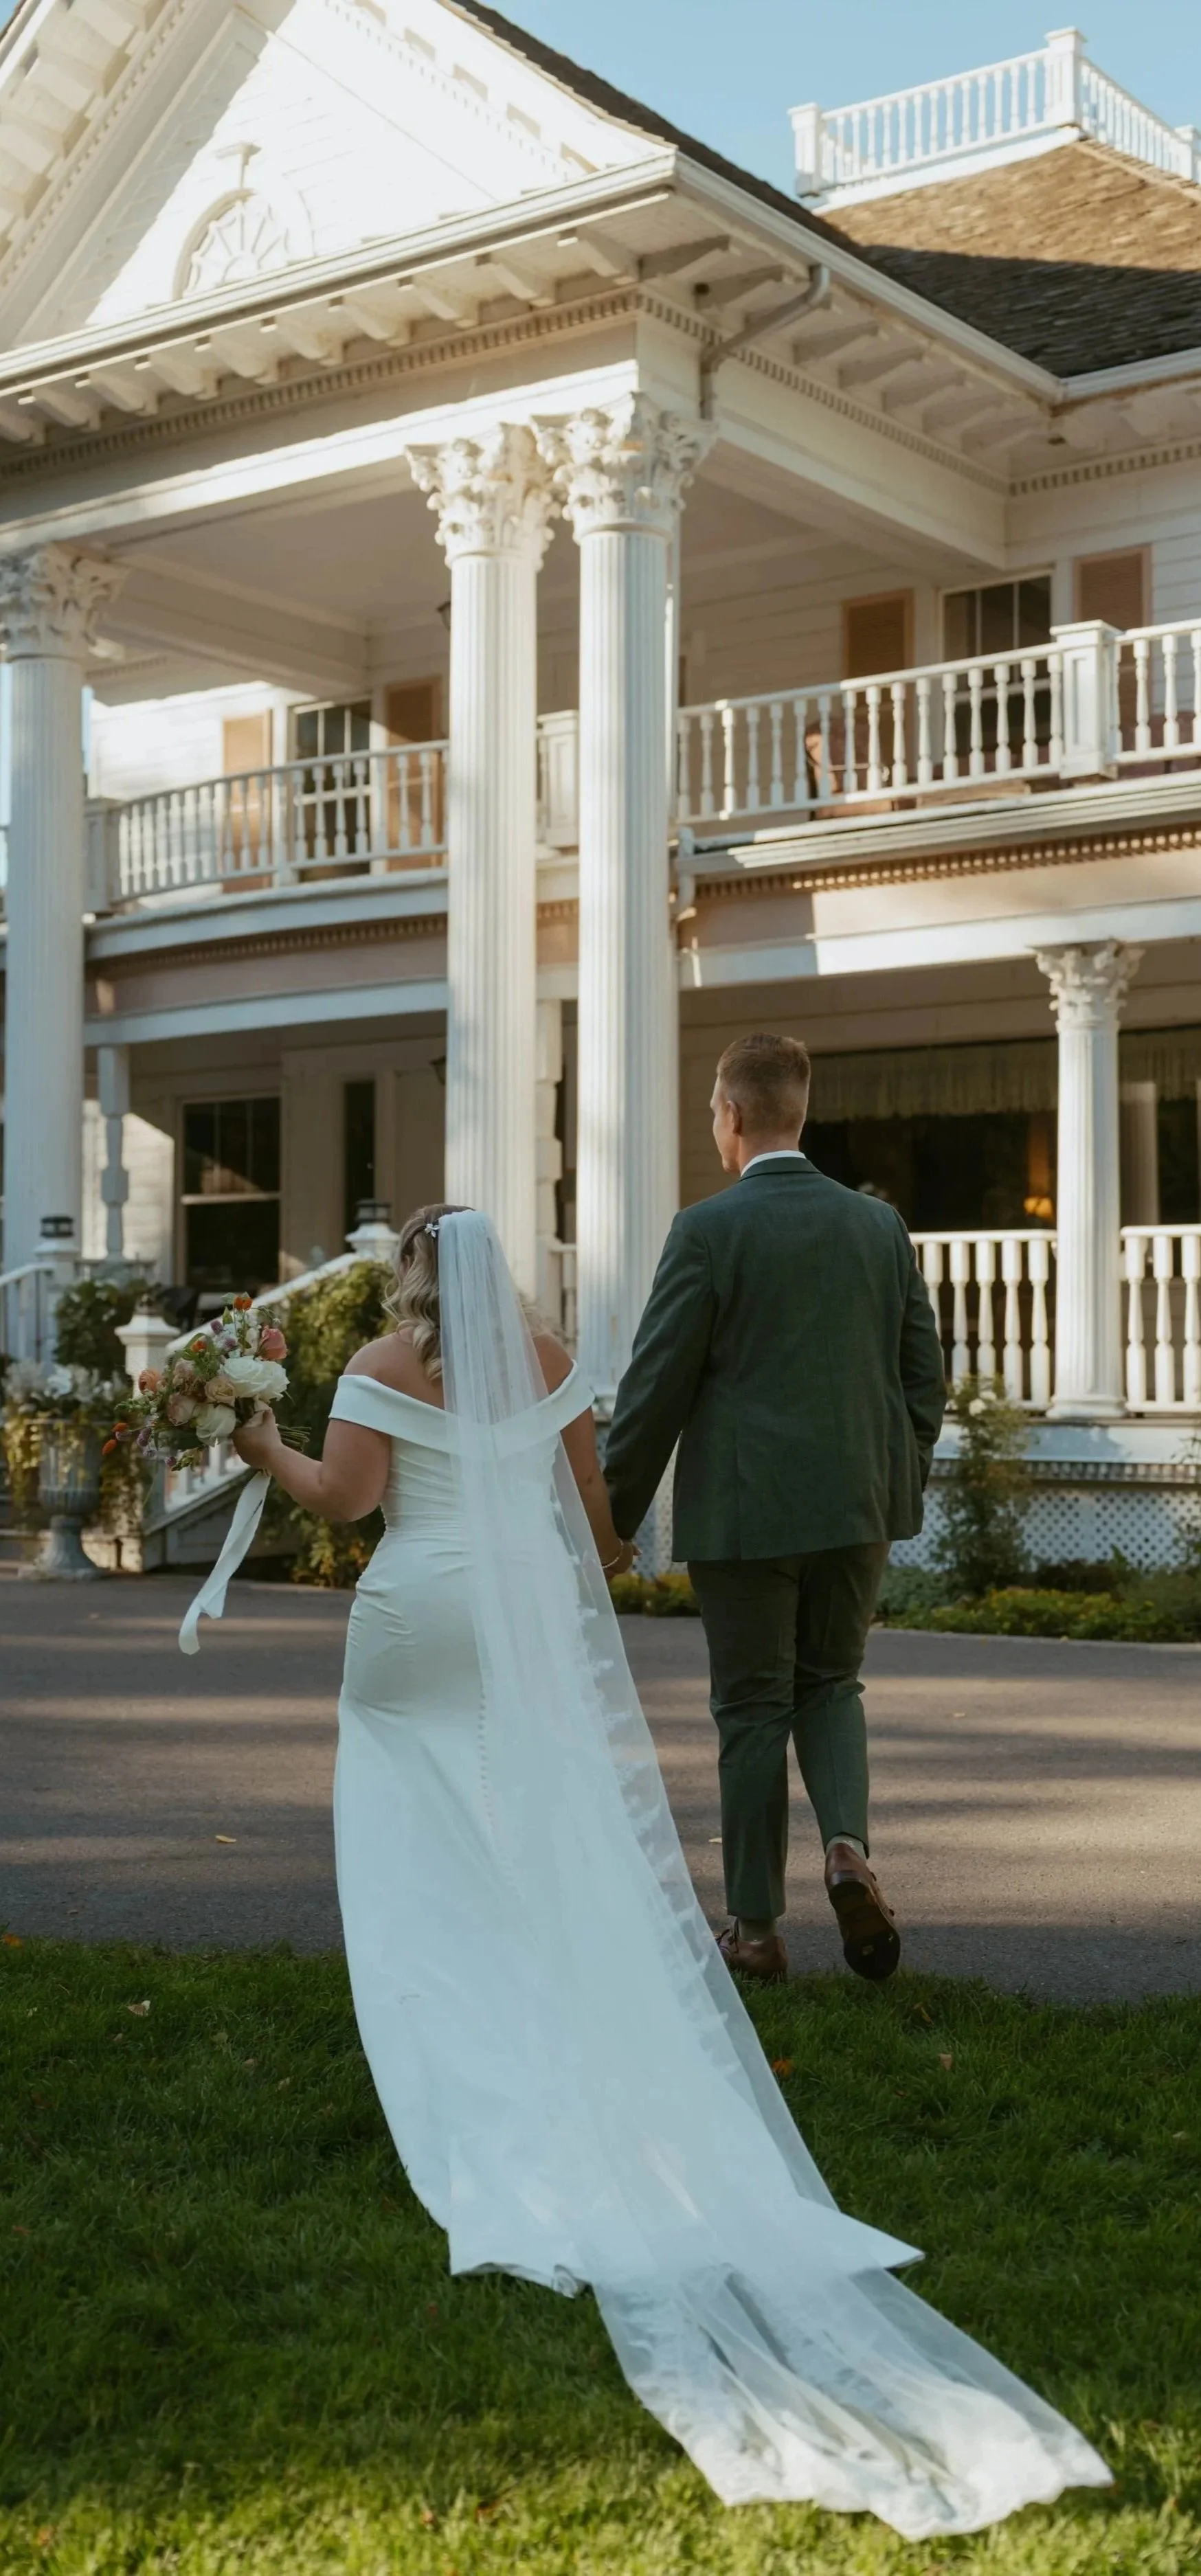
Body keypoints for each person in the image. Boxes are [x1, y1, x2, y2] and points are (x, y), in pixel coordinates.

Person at [223, 1199, 1107, 2533]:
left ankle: (450, 2015)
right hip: (520, 1618)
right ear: (496, 1277)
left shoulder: (377, 1367)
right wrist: (605, 1550)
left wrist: (261, 1443)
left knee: (419, 1830)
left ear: (408, 1275)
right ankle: (550, 2011)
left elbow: (344, 1502)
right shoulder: (549, 1357)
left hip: (415, 1621)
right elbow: (592, 1514)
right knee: (538, 1831)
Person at [603, 1032, 947, 1986]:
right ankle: (846, 1849)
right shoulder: (878, 1226)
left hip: (746, 1515)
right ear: (801, 1111)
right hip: (858, 1506)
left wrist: (611, 1519)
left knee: (753, 1708)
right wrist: (893, 1476)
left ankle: (755, 1933)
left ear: (733, 1115)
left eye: (714, 1113)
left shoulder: (706, 1230)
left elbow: (656, 1388)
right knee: (832, 1684)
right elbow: (924, 1375)